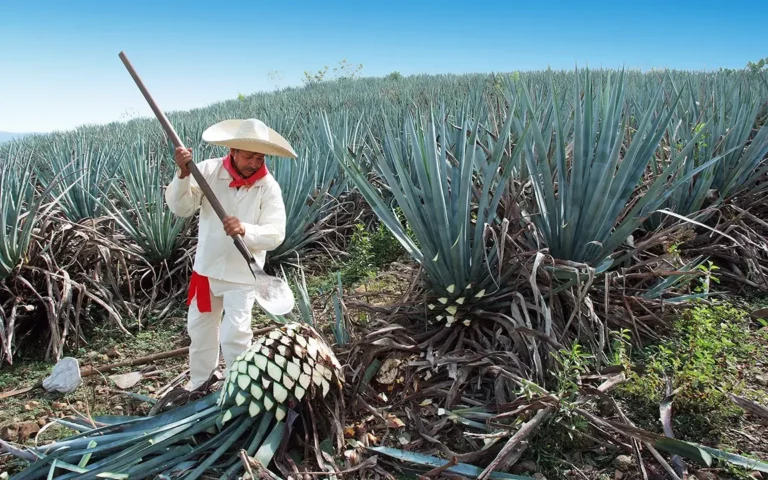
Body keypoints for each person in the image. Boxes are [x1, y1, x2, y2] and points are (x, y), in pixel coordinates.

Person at [164, 118, 296, 390]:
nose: (254, 163)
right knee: (200, 331)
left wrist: (244, 229)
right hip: (207, 270)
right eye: (248, 156)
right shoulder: (208, 171)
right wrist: (182, 174)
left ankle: (239, 388)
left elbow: (275, 233)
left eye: (259, 158)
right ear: (233, 151)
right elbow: (182, 207)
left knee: (235, 333)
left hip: (243, 275)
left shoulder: (268, 187)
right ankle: (201, 383)